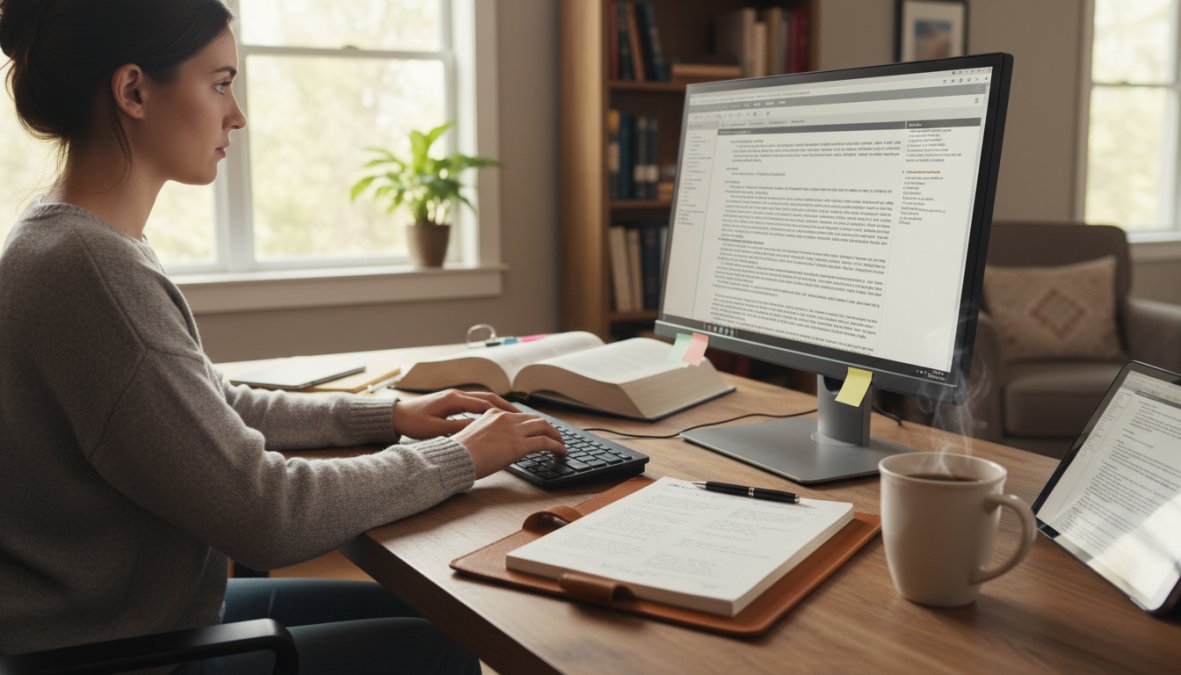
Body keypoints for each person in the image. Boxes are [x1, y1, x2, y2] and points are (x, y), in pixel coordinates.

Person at [0, 0, 564, 672]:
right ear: (133, 90)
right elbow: (265, 512)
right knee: (438, 645)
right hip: (111, 650)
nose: (236, 113)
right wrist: (458, 457)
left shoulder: (68, 237)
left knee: (437, 609)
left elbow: (208, 407)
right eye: (219, 82)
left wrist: (387, 414)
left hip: (133, 619)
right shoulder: (90, 269)